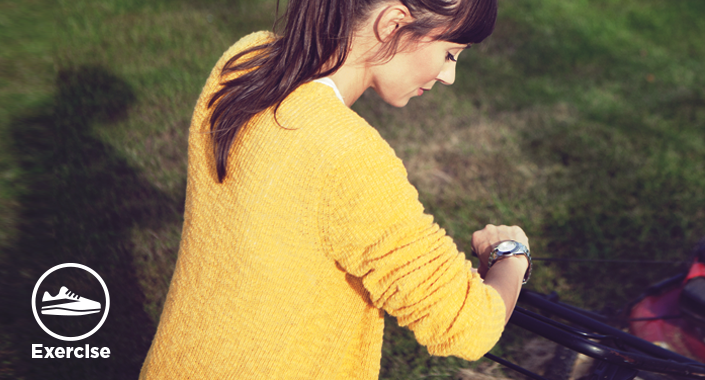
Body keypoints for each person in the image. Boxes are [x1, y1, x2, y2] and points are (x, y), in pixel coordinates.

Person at [139, 0, 531, 378]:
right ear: (393, 23)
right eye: (450, 53)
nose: (450, 76)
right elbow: (470, 324)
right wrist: (510, 256)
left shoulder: (243, 61)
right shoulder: (348, 157)